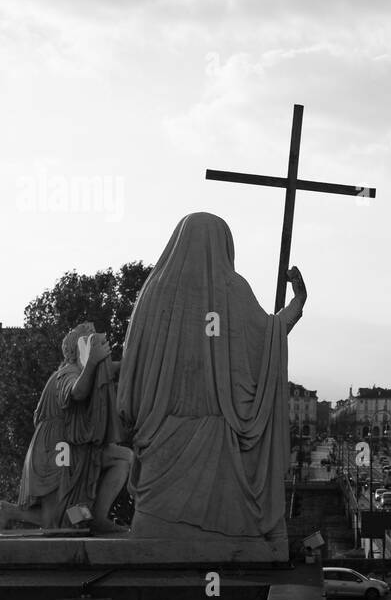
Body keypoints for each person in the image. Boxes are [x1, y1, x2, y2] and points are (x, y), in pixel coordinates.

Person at [117, 213, 305, 557]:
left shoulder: (151, 294)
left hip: (160, 439)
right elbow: (267, 343)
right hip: (217, 440)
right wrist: (297, 303)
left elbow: (132, 366)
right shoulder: (231, 289)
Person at [0, 322, 131, 534]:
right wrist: (93, 362)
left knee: (123, 459)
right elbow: (77, 392)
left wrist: (132, 360)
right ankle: (9, 511)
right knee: (56, 522)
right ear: (79, 350)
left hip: (73, 446)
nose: (95, 348)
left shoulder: (82, 370)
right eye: (90, 343)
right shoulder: (67, 373)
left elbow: (108, 371)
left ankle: (98, 518)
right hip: (57, 450)